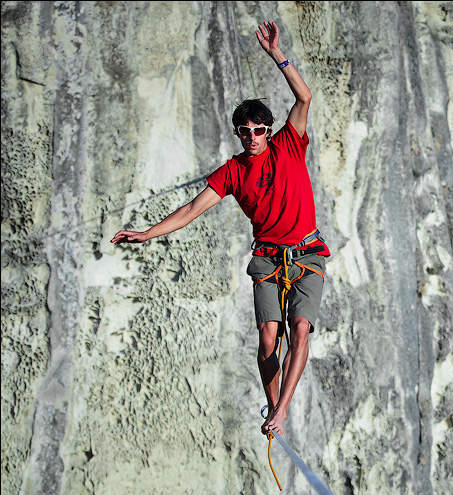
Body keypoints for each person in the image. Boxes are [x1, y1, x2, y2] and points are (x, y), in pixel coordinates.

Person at [111, 21, 328, 438]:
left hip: (306, 253)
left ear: (269, 131)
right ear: (238, 134)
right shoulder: (231, 172)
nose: (252, 136)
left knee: (300, 327)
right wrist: (145, 233)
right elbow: (193, 208)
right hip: (267, 257)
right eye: (245, 131)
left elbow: (304, 96)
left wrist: (276, 55)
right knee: (268, 340)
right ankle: (272, 404)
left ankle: (280, 410)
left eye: (259, 130)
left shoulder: (288, 144)